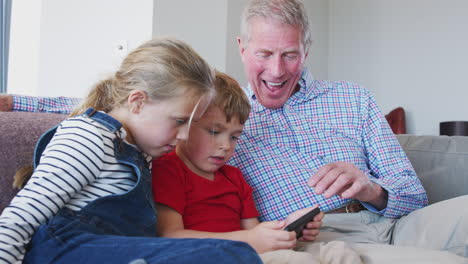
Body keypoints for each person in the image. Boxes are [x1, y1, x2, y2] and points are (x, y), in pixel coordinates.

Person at [228, 0, 467, 261]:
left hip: (397, 224)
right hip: (322, 241)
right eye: (264, 54)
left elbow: (414, 196)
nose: (277, 71)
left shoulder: (354, 98)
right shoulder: (224, 118)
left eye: (290, 55)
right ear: (242, 48)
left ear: (305, 51)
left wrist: (370, 189)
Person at [0, 37, 261, 264]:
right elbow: (19, 219)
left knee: (234, 253)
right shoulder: (88, 135)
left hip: (117, 250)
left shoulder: (139, 147)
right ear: (137, 102)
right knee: (230, 255)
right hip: (63, 250)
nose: (183, 136)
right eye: (180, 121)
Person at [152, 72, 362, 263]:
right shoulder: (169, 168)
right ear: (184, 124)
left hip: (249, 253)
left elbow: (255, 232)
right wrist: (247, 240)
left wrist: (286, 228)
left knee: (338, 251)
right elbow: (170, 235)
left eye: (234, 137)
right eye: (215, 132)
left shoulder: (234, 177)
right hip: (210, 256)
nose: (226, 146)